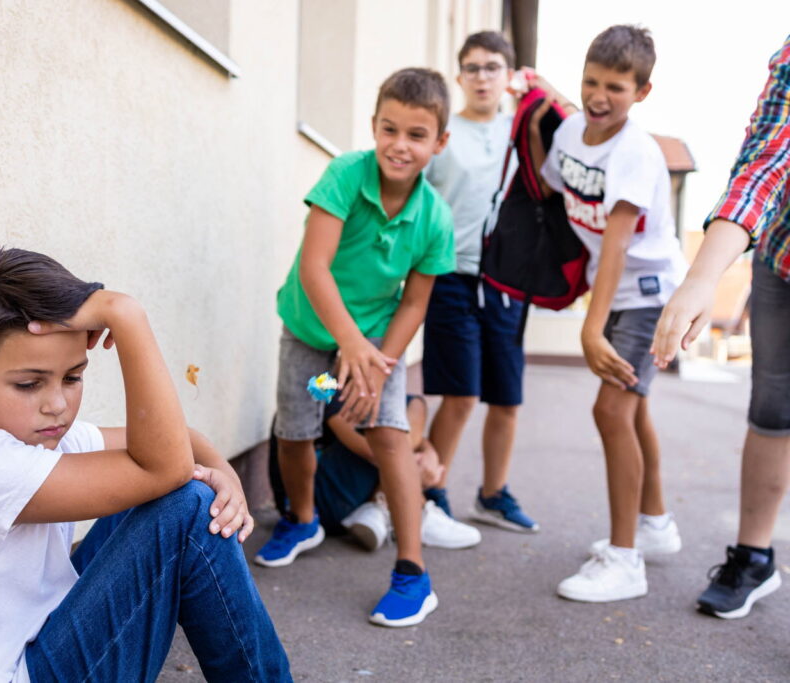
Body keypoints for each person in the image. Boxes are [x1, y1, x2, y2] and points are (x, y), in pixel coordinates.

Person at [0, 248, 291, 681]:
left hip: (28, 649)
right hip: (11, 672)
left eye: (73, 377)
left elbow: (179, 446)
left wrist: (227, 472)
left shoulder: (39, 439)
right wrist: (125, 314)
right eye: (29, 384)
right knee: (188, 504)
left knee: (173, 491)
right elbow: (166, 466)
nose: (57, 406)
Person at [258, 67, 455, 627]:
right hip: (309, 328)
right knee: (297, 429)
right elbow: (315, 267)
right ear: (373, 127)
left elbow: (414, 303)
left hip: (371, 340)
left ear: (439, 142)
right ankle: (302, 518)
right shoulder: (346, 174)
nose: (400, 144)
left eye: (416, 135)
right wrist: (346, 345)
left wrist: (379, 364)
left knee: (389, 433)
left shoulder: (435, 219)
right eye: (389, 129)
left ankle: (413, 574)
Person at [529, 25, 687, 602]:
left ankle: (626, 561)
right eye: (591, 82)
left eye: (616, 87)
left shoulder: (636, 154)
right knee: (633, 408)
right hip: (611, 288)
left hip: (645, 292)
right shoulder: (573, 130)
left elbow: (617, 243)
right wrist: (537, 98)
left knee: (611, 410)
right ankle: (655, 524)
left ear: (641, 92)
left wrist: (591, 329)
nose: (600, 96)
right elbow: (552, 183)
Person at [652, 34, 790, 619]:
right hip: (781, 259)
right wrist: (704, 277)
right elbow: (765, 163)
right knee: (773, 409)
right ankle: (754, 558)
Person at [422, 30, 538, 537]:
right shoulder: (446, 135)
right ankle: (430, 493)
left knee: (507, 398)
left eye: (493, 67)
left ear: (510, 75)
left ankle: (493, 495)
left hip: (507, 280)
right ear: (459, 75)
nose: (482, 77)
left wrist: (541, 89)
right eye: (472, 68)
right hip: (451, 275)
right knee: (461, 394)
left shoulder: (524, 129)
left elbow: (582, 130)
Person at [268, 394, 481, 552]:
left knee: (403, 411)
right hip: (317, 505)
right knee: (409, 408)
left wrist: (428, 451)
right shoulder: (324, 382)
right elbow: (379, 453)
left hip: (323, 500)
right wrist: (415, 472)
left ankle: (379, 506)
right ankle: (412, 507)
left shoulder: (339, 378)